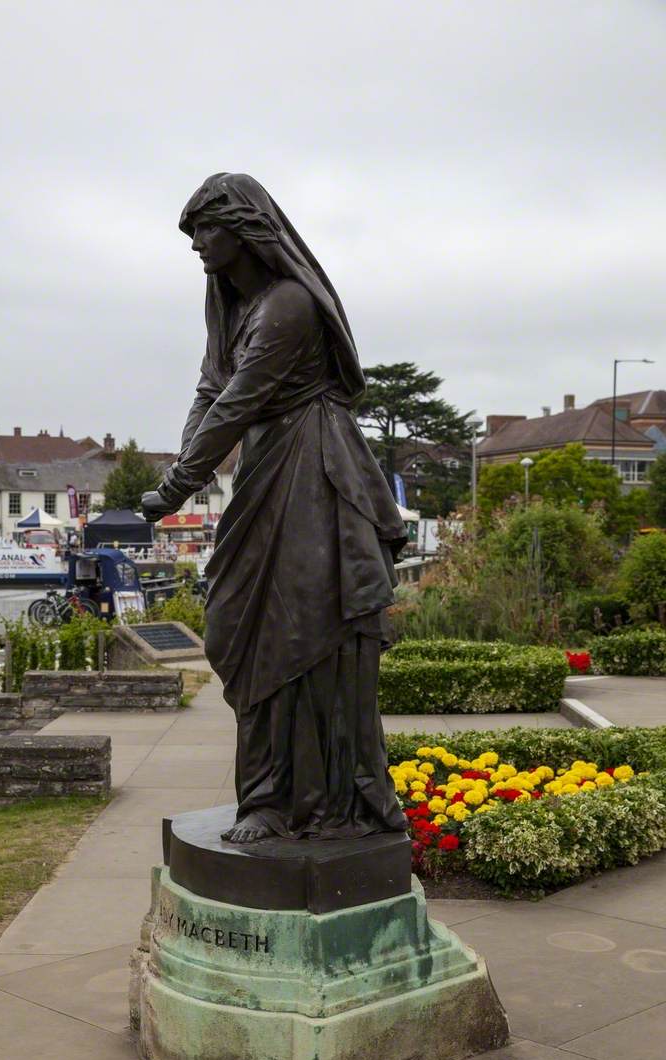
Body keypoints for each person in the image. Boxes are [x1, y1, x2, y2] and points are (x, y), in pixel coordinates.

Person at [142, 173, 407, 844]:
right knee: (240, 624)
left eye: (207, 229)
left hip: (313, 472)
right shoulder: (233, 309)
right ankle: (266, 794)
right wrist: (182, 471)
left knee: (301, 634)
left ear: (244, 228)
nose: (198, 244)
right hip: (267, 470)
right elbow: (210, 392)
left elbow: (242, 401)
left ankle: (304, 802)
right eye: (193, 233)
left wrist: (177, 487)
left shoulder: (288, 304)